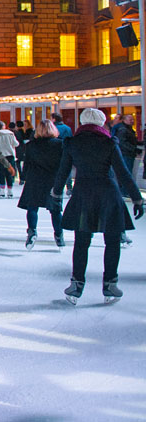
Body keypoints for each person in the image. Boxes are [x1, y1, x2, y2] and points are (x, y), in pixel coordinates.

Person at [51, 108, 143, 305]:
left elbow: (63, 171)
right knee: (112, 241)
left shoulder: (72, 143)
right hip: (108, 195)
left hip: (83, 195)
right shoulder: (109, 142)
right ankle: (110, 284)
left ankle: (76, 284)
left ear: (83, 122)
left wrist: (56, 193)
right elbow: (123, 173)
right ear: (101, 123)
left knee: (81, 242)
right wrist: (137, 199)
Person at [17, 119, 65, 249]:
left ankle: (32, 231)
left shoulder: (31, 145)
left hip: (35, 179)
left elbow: (27, 163)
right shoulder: (60, 144)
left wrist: (24, 177)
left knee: (32, 207)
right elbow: (63, 164)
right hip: (53, 180)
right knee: (55, 209)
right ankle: (59, 235)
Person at [0, 121, 19, 198]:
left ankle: (2, 191)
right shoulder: (10, 134)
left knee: (1, 173)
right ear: (3, 126)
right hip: (10, 156)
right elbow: (16, 144)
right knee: (9, 173)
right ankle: (10, 191)